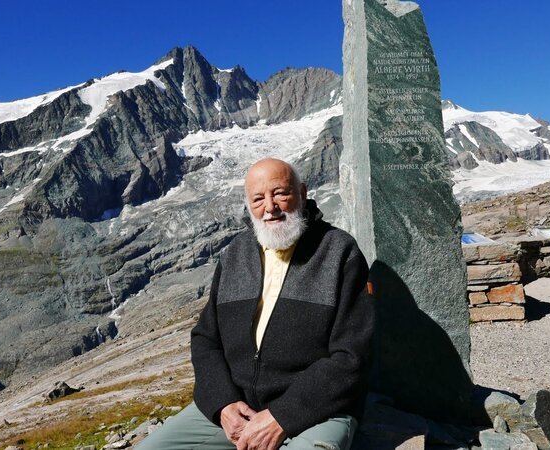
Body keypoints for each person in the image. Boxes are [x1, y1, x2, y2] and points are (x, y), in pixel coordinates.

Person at [135, 158, 374, 450]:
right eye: (258, 199)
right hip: (241, 408)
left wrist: (282, 415)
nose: (270, 207)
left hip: (318, 410)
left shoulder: (339, 252)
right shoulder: (235, 255)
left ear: (302, 192)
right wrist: (223, 403)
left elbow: (352, 356)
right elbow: (205, 339)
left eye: (280, 193)